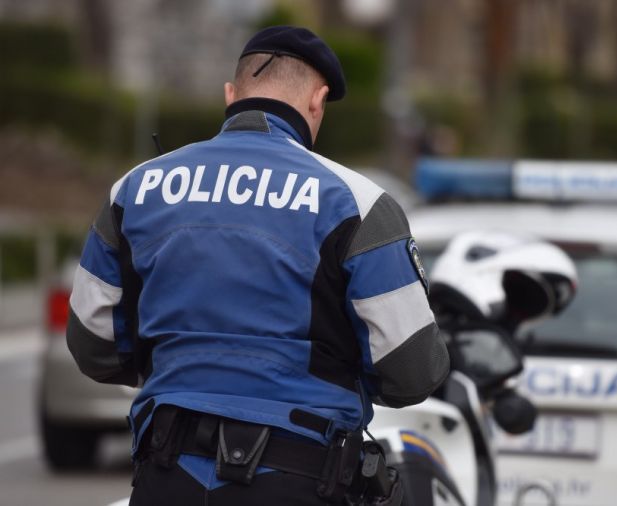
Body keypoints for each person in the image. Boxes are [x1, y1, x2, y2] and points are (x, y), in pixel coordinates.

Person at [66, 25, 449, 505]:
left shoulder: (135, 189)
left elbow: (92, 342)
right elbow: (412, 369)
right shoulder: (359, 203)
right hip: (299, 478)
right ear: (318, 101)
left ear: (231, 95)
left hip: (166, 472)